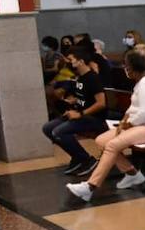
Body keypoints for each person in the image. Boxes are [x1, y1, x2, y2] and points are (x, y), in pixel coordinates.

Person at [65, 50, 145, 201]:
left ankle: (90, 187)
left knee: (112, 145)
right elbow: (133, 108)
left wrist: (128, 125)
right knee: (101, 140)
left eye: (126, 66)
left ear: (133, 68)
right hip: (141, 126)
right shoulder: (140, 84)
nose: (125, 69)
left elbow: (144, 113)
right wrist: (122, 122)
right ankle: (132, 174)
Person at [42, 43, 107, 176]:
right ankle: (78, 157)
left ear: (81, 61)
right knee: (48, 128)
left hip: (94, 118)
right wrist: (73, 103)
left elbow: (101, 103)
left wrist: (80, 113)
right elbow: (83, 98)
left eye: (71, 60)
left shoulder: (92, 78)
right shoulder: (79, 78)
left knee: (59, 131)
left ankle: (87, 160)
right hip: (80, 114)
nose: (68, 63)